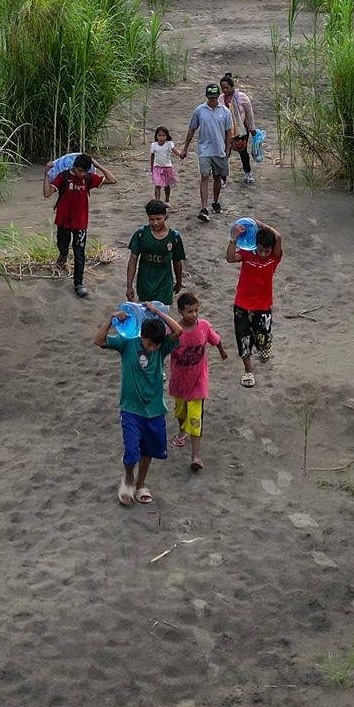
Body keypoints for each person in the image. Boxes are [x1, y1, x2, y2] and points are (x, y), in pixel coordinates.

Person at [97, 303, 184, 506]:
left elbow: (177, 331)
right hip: (130, 408)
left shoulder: (161, 348)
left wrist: (156, 312)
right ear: (142, 337)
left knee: (149, 449)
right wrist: (111, 319)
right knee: (131, 449)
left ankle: (141, 483)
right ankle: (128, 478)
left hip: (154, 409)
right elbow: (98, 340)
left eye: (156, 345)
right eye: (150, 344)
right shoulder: (127, 343)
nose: (153, 348)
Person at [166, 291, 227, 472]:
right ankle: (181, 431)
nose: (193, 315)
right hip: (179, 380)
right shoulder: (175, 331)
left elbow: (216, 340)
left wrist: (222, 352)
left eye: (196, 311)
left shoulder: (204, 327)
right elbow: (164, 348)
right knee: (180, 412)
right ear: (180, 312)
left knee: (195, 418)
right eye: (189, 312)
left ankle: (195, 456)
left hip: (198, 380)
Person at [45, 152, 114, 298]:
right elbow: (47, 193)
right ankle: (62, 257)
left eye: (84, 171)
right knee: (63, 246)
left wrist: (98, 165)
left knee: (79, 253)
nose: (82, 174)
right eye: (79, 171)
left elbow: (112, 180)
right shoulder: (63, 176)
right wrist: (46, 174)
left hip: (80, 222)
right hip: (63, 220)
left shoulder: (88, 178)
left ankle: (78, 283)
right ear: (74, 167)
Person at [226, 221, 283, 388]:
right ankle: (248, 370)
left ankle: (265, 344)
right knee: (243, 338)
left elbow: (278, 236)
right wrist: (234, 238)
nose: (264, 253)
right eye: (260, 249)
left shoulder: (274, 258)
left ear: (272, 250)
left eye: (267, 250)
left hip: (263, 306)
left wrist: (259, 224)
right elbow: (230, 258)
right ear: (255, 245)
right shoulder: (247, 253)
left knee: (262, 337)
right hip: (242, 303)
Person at [177, 84, 233, 224]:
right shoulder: (200, 111)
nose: (213, 100)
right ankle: (204, 208)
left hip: (219, 150)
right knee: (204, 176)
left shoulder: (225, 112)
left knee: (217, 177)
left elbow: (228, 132)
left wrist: (227, 149)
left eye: (215, 97)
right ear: (207, 97)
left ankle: (215, 201)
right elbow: (192, 129)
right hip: (204, 150)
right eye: (210, 97)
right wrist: (185, 148)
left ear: (218, 97)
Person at [126, 198, 186, 308]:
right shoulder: (141, 234)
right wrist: (129, 285)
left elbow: (177, 261)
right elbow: (133, 260)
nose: (155, 223)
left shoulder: (174, 237)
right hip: (145, 285)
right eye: (151, 219)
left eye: (159, 219)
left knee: (162, 318)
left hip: (164, 286)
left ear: (165, 216)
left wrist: (179, 281)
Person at [219, 73, 257, 187]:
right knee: (225, 153)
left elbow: (249, 114)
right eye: (223, 88)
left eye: (227, 88)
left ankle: (248, 173)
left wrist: (252, 129)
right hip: (226, 130)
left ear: (232, 87)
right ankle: (223, 178)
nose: (225, 90)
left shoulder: (242, 97)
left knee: (243, 151)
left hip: (241, 130)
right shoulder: (220, 99)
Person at [148, 126, 177, 203]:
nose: (161, 137)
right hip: (157, 168)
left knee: (167, 186)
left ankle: (167, 200)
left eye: (163, 135)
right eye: (159, 135)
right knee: (157, 185)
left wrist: (180, 154)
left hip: (167, 167)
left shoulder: (169, 144)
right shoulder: (154, 145)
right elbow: (152, 156)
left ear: (166, 136)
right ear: (156, 136)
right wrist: (152, 167)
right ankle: (157, 201)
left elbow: (175, 150)